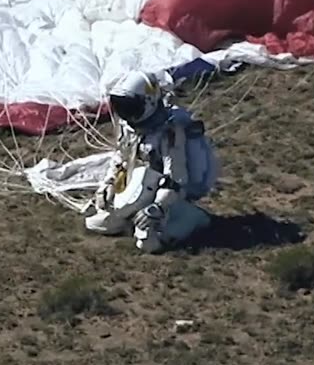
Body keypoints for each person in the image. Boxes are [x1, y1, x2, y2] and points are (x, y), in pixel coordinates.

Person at [83, 70, 218, 253]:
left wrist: (158, 207)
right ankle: (131, 217)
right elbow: (120, 157)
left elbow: (176, 179)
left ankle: (193, 216)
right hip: (144, 185)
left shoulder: (169, 132)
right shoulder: (129, 127)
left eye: (130, 106)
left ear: (148, 102)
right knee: (96, 223)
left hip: (168, 194)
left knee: (147, 243)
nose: (125, 113)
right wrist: (108, 184)